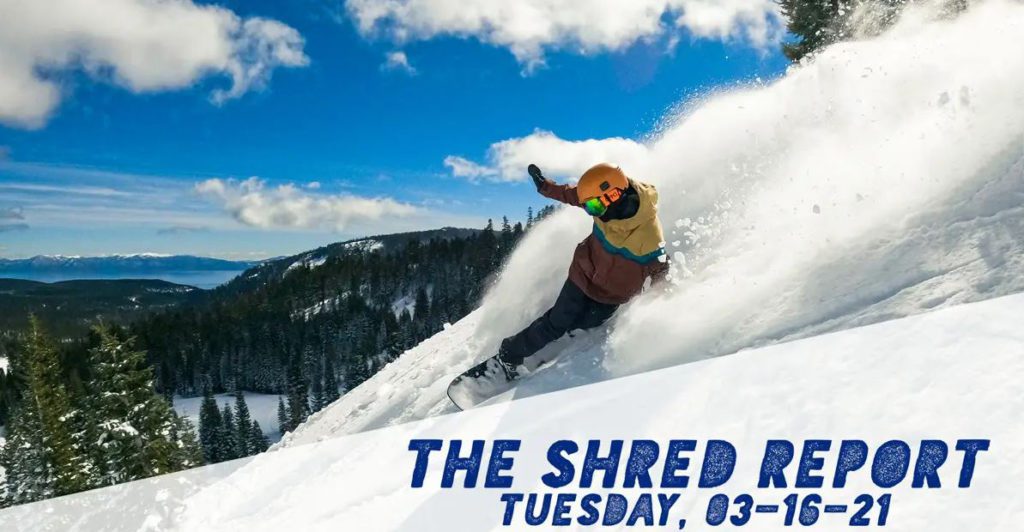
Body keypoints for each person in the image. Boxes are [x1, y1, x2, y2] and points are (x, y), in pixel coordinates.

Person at [488, 162, 669, 380]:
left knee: (585, 324)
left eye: (592, 207)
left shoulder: (648, 238)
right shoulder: (605, 203)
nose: (590, 210)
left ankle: (556, 341)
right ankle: (510, 353)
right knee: (557, 322)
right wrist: (545, 186)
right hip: (582, 275)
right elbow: (574, 195)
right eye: (589, 206)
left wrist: (666, 301)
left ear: (614, 196)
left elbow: (661, 270)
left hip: (611, 296)